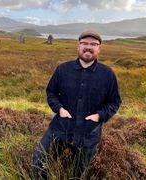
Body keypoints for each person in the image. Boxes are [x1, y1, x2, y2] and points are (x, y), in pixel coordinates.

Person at [32, 30, 122, 179]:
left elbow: (114, 101)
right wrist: (59, 109)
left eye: (93, 44)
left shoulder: (108, 74)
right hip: (60, 129)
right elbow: (51, 93)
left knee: (78, 175)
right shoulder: (62, 69)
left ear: (99, 48)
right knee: (39, 163)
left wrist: (100, 116)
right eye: (84, 43)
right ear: (78, 46)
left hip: (88, 135)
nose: (88, 47)